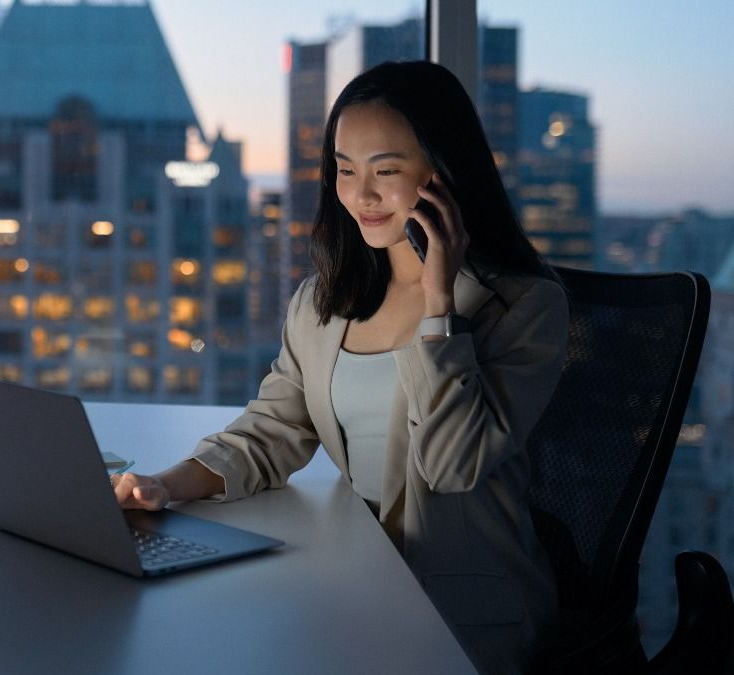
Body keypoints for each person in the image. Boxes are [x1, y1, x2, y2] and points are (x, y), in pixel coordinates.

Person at [112, 60, 568, 674]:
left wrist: (439, 306)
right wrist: (165, 485)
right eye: (345, 170)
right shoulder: (325, 302)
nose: (361, 195)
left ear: (443, 173)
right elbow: (270, 432)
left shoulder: (522, 306)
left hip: (462, 613)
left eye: (386, 171)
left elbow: (450, 466)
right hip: (354, 578)